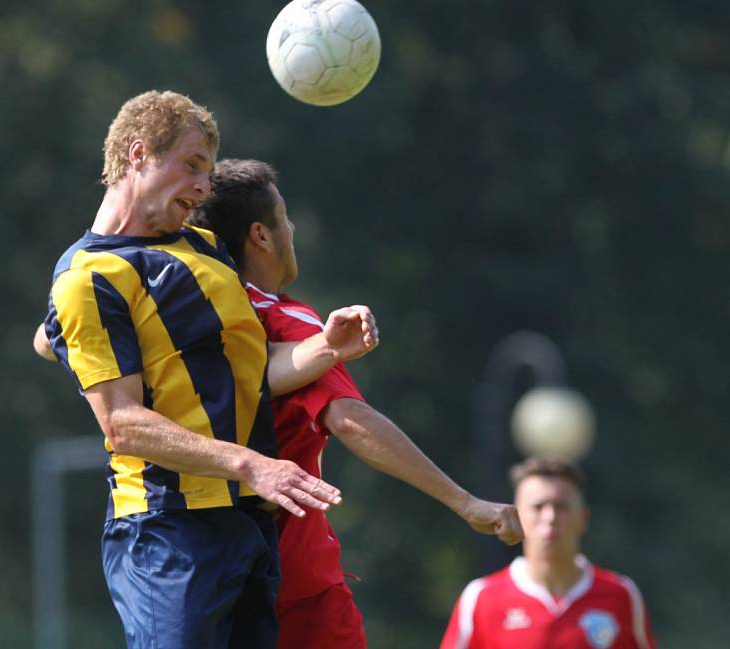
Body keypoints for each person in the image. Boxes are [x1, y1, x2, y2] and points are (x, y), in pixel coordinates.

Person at [37, 91, 378, 649]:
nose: (203, 186)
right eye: (192, 165)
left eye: (208, 171)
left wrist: (327, 348)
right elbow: (122, 423)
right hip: (169, 530)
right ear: (139, 155)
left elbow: (247, 373)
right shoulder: (88, 278)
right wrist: (250, 464)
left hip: (248, 526)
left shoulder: (206, 246)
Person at [184, 158, 524, 649]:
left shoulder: (182, 316)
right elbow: (350, 420)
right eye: (284, 216)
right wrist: (465, 502)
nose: (293, 227)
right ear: (261, 235)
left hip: (199, 572)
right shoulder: (290, 323)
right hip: (293, 580)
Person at [439, 458, 658, 649]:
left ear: (583, 518)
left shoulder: (622, 595)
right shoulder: (481, 599)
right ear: (517, 516)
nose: (550, 517)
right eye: (538, 506)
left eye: (561, 506)